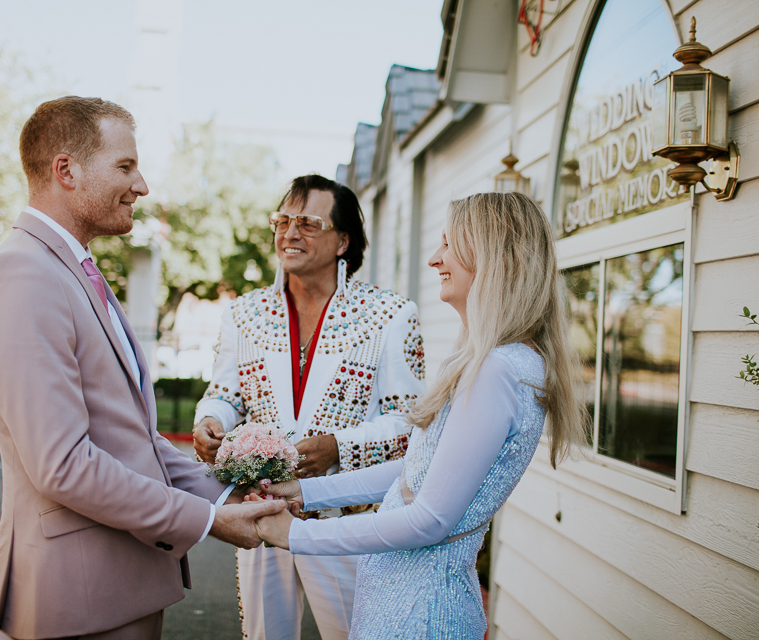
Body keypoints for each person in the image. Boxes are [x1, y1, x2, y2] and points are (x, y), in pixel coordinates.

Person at [0, 96, 284, 640]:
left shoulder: (75, 269)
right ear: (66, 169)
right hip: (76, 597)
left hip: (120, 585)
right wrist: (206, 521)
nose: (142, 185)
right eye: (125, 166)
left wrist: (228, 496)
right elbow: (62, 463)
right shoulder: (22, 276)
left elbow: (131, 438)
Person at [251, 192, 587, 639]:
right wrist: (306, 491)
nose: (434, 259)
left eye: (448, 244)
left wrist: (293, 536)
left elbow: (428, 520)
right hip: (404, 603)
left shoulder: (498, 369)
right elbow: (416, 471)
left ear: (492, 255)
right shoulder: (495, 361)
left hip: (422, 615)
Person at [193, 174, 426, 640]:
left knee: (353, 634)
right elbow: (226, 392)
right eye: (283, 220)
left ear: (343, 240)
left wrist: (339, 447)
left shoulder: (390, 314)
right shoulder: (244, 313)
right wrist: (211, 419)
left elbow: (410, 425)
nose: (290, 233)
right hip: (260, 508)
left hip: (349, 519)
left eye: (309, 222)